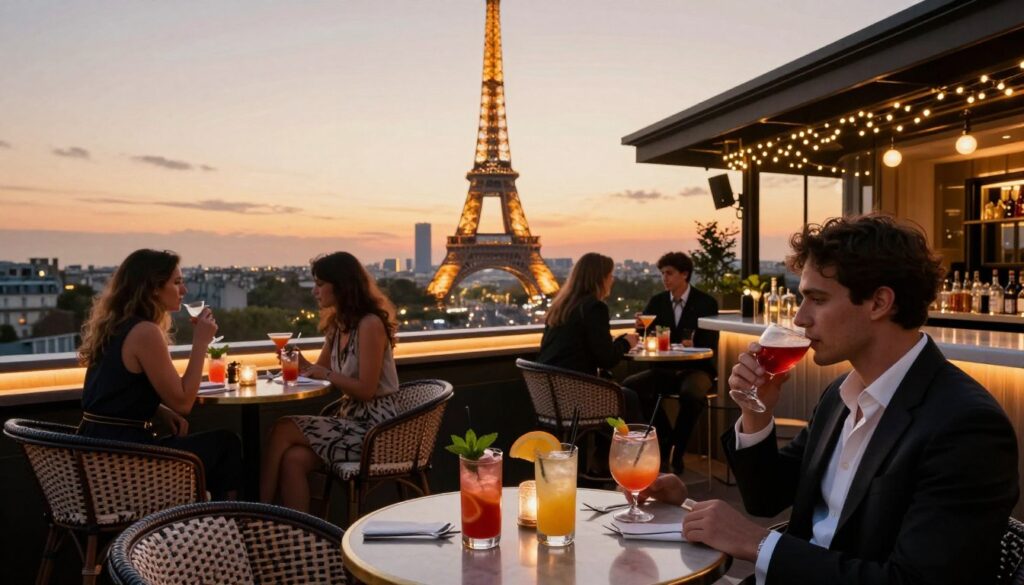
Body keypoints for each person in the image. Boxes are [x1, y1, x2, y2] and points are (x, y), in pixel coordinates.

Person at [640, 215, 1019, 584]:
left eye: (817, 299)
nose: (800, 318)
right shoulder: (840, 395)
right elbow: (765, 499)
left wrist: (758, 543)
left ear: (879, 302)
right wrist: (756, 412)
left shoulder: (965, 426)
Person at [77, 249, 242, 499]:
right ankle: (226, 519)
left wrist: (158, 409)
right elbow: (184, 403)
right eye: (177, 282)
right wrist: (201, 342)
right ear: (154, 288)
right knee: (227, 444)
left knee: (217, 446)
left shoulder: (117, 326)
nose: (184, 290)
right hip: (127, 462)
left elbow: (116, 390)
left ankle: (204, 515)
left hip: (97, 454)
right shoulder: (145, 332)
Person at [260, 251, 400, 512]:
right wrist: (298, 362)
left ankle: (259, 511)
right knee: (293, 459)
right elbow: (319, 369)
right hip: (350, 421)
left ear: (342, 286)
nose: (314, 291)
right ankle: (301, 531)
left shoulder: (370, 324)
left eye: (320, 284)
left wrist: (323, 374)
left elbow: (366, 390)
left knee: (282, 428)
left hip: (376, 430)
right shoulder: (339, 326)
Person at [623, 251, 718, 472]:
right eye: (662, 274)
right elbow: (646, 336)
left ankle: (677, 450)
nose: (664, 278)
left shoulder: (706, 303)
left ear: (684, 274)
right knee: (630, 388)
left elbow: (710, 343)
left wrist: (692, 344)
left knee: (691, 394)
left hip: (697, 369)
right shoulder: (657, 302)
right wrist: (641, 328)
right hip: (664, 369)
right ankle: (666, 440)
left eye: (669, 273)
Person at [536, 252, 640, 420]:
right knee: (629, 398)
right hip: (576, 395)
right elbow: (607, 359)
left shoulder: (561, 307)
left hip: (549, 397)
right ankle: (641, 437)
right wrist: (627, 343)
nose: (612, 280)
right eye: (610, 275)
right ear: (600, 279)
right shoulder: (594, 308)